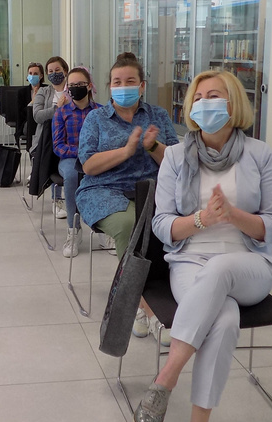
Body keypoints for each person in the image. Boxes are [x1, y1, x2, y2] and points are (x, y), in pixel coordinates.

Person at [132, 69, 272, 422]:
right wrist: (202, 219)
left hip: (250, 264)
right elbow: (162, 225)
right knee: (225, 318)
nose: (204, 103)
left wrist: (232, 216)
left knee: (221, 272)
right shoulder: (176, 157)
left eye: (213, 95)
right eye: (198, 98)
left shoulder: (259, 154)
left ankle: (166, 378)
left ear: (233, 103)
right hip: (190, 263)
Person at [76, 52, 178, 336]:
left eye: (130, 81)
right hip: (103, 190)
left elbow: (176, 162)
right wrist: (126, 151)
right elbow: (88, 165)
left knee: (170, 226)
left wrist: (152, 146)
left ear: (142, 85)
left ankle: (171, 295)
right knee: (130, 226)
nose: (123, 87)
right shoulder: (95, 119)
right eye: (117, 82)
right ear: (109, 86)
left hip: (153, 190)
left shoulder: (158, 115)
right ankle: (145, 306)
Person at [51, 66, 101, 257]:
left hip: (96, 158)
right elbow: (58, 146)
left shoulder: (100, 111)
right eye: (71, 85)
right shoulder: (61, 113)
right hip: (70, 159)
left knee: (108, 173)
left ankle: (103, 229)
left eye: (79, 84)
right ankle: (73, 230)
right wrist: (82, 153)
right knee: (72, 175)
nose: (75, 88)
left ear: (88, 86)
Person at [32, 56, 71, 217]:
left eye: (57, 70)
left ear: (65, 71)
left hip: (70, 139)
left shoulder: (73, 90)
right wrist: (57, 109)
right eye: (50, 71)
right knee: (54, 158)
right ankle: (57, 200)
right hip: (46, 141)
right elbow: (37, 116)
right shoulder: (44, 91)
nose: (54, 74)